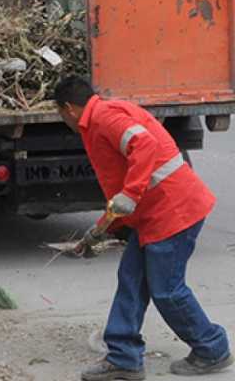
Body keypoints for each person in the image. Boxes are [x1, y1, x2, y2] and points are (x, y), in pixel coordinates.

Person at [54, 76, 232, 380]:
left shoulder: (105, 117)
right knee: (131, 279)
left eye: (60, 113)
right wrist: (99, 231)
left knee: (167, 290)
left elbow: (144, 147)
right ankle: (124, 359)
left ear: (69, 108)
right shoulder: (102, 117)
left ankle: (212, 349)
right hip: (157, 213)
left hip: (174, 212)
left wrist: (131, 194)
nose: (62, 119)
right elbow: (120, 191)